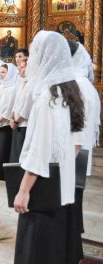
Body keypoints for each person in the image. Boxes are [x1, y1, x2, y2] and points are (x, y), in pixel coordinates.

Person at [14, 30, 85, 263]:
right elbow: (76, 144)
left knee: (35, 249)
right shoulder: (71, 91)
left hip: (42, 187)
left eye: (35, 53)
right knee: (55, 247)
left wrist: (24, 190)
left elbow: (39, 151)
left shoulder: (48, 97)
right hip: (62, 182)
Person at [70, 41, 100, 263]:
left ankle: (69, 252)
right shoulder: (85, 84)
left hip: (71, 157)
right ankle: (73, 251)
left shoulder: (76, 85)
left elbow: (74, 128)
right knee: (72, 208)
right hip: (77, 158)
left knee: (69, 210)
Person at [0, 63, 18, 180]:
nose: (0, 75)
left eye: (3, 72)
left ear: (10, 73)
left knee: (3, 150)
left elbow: (9, 108)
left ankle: (2, 174)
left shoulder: (13, 88)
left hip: (5, 125)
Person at [9, 60, 29, 163]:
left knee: (21, 153)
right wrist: (12, 117)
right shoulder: (21, 83)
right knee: (15, 153)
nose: (19, 69)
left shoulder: (31, 84)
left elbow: (27, 107)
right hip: (16, 122)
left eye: (22, 67)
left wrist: (17, 120)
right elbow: (16, 102)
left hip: (24, 124)